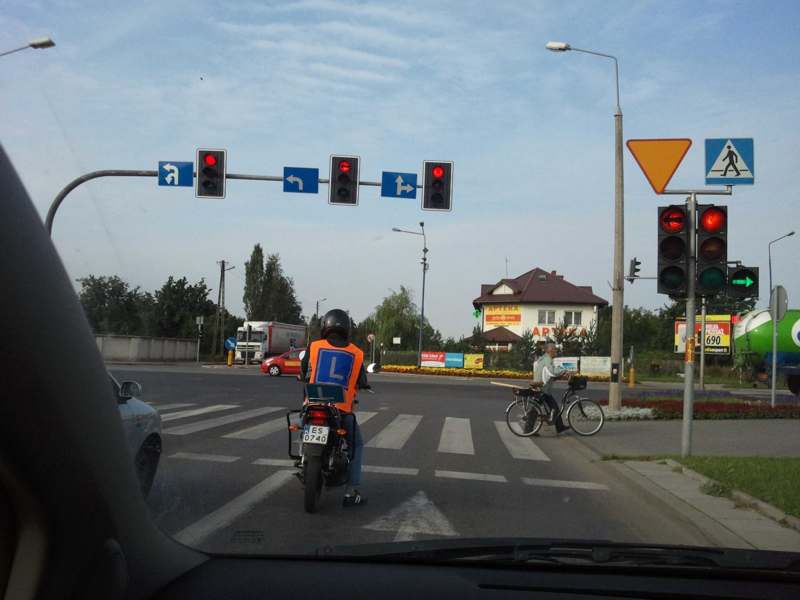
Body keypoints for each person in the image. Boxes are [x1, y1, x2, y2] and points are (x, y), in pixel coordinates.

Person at [300, 308, 370, 507]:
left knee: (303, 423)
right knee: (356, 444)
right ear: (347, 329)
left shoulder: (314, 346)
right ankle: (350, 492)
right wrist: (363, 384)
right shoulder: (356, 353)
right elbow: (361, 380)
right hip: (340, 410)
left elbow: (303, 370)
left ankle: (304, 455)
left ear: (325, 327)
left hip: (314, 404)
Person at [529, 342, 571, 434]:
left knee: (547, 407)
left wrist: (560, 375)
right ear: (549, 351)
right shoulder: (547, 359)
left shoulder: (544, 358)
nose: (556, 351)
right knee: (551, 407)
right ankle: (528, 429)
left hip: (542, 387)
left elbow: (549, 374)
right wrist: (564, 370)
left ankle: (560, 427)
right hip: (542, 388)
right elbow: (552, 372)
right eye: (555, 349)